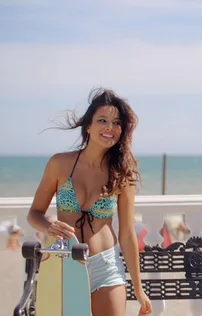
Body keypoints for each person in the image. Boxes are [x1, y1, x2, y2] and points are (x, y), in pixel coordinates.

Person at [26, 88, 152, 316]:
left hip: (106, 267)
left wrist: (138, 287)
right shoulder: (59, 164)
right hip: (64, 265)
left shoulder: (122, 174)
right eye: (102, 120)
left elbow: (126, 233)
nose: (109, 128)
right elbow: (34, 213)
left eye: (116, 123)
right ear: (89, 126)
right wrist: (49, 226)